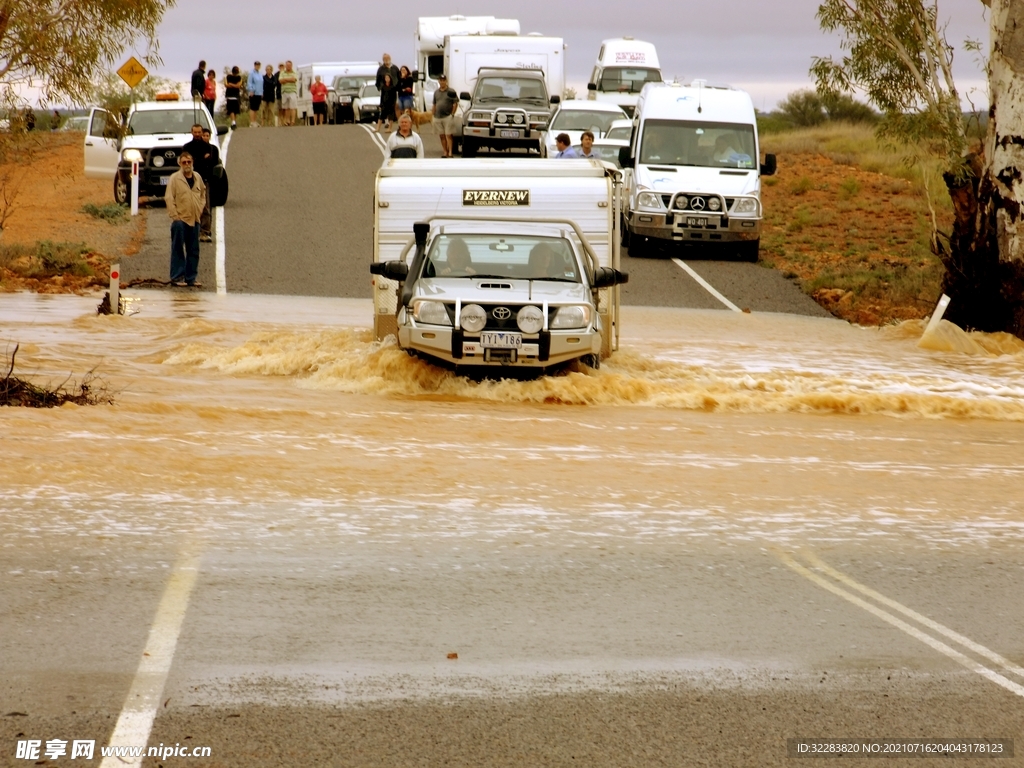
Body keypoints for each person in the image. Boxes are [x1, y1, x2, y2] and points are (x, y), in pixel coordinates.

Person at [166, 151, 206, 288]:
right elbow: (169, 198)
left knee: (194, 250)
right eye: (184, 162)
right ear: (180, 163)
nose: (187, 164)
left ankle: (191, 278)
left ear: (192, 162)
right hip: (180, 220)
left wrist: (200, 209)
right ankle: (177, 277)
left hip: (195, 219)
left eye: (189, 162)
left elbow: (203, 194)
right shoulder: (174, 179)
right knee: (177, 248)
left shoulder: (197, 177)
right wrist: (175, 216)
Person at [182, 124, 220, 242]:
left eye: (199, 132)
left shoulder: (209, 147)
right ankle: (191, 231)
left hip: (204, 181)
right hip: (189, 181)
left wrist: (201, 161)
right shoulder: (187, 147)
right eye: (195, 132)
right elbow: (186, 163)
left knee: (205, 207)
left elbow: (212, 161)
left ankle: (205, 231)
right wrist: (202, 160)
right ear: (191, 132)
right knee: (189, 206)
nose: (197, 134)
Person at [432, 74, 458, 158]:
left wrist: (452, 114)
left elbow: (455, 103)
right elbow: (434, 104)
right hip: (438, 116)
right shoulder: (436, 92)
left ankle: (450, 152)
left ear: (446, 81)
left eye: (444, 80)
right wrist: (433, 115)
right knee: (442, 135)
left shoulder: (451, 91)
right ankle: (445, 152)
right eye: (441, 80)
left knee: (448, 135)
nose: (442, 82)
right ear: (439, 81)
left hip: (447, 116)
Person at [375, 53, 400, 127]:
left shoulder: (395, 68)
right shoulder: (381, 69)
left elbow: (399, 78)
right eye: (385, 59)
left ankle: (393, 121)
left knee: (393, 106)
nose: (386, 60)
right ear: (383, 60)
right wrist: (380, 87)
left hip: (394, 90)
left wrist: (398, 87)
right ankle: (386, 121)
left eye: (387, 58)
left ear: (390, 58)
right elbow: (378, 79)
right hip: (385, 90)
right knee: (384, 106)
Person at [279, 61, 298, 127]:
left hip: (292, 91)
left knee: (293, 107)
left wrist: (285, 79)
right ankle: (287, 120)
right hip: (284, 91)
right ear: (285, 66)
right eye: (287, 66)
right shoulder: (282, 72)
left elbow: (294, 80)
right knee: (286, 107)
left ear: (291, 65)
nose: (288, 67)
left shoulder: (294, 72)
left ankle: (292, 121)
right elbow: (280, 81)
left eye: (289, 65)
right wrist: (289, 79)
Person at [247, 61, 263, 127]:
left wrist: (262, 92)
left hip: (259, 93)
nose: (257, 66)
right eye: (256, 65)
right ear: (254, 65)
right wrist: (251, 90)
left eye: (259, 65)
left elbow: (261, 83)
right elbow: (249, 82)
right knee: (252, 108)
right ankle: (252, 122)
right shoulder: (251, 73)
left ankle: (255, 121)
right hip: (253, 92)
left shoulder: (260, 74)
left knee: (256, 108)